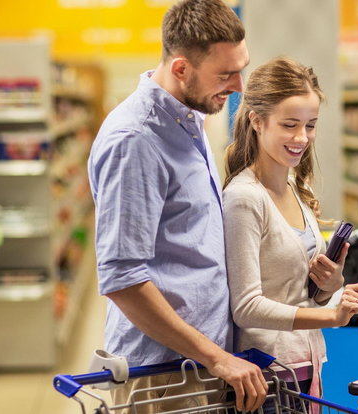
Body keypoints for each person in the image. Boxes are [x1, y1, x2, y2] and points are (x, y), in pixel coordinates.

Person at [87, 0, 267, 412]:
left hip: (198, 362)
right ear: (181, 68)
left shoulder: (188, 118)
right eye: (225, 74)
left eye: (241, 68)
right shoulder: (136, 140)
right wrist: (217, 357)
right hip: (162, 374)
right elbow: (122, 279)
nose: (239, 85)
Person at [222, 57, 358, 404]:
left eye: (310, 125)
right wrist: (329, 315)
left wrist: (330, 286)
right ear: (257, 121)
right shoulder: (244, 199)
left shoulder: (295, 185)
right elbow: (246, 307)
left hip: (304, 367)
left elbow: (298, 293)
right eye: (289, 124)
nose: (301, 137)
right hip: (265, 376)